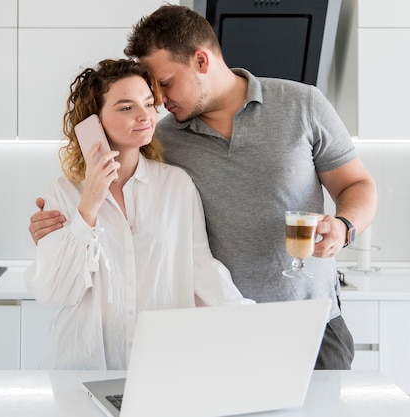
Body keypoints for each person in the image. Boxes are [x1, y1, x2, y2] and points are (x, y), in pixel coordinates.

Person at [29, 5, 378, 370]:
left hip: (310, 320)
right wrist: (66, 232)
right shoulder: (163, 139)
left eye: (162, 85)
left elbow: (357, 183)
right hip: (222, 330)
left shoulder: (302, 104)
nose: (158, 104)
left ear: (201, 60)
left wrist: (344, 225)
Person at [24, 58, 252, 370]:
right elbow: (56, 291)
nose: (145, 115)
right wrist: (88, 205)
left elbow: (199, 265)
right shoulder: (63, 193)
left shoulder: (176, 185)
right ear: (94, 122)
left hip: (159, 367)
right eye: (126, 107)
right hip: (81, 366)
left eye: (148, 103)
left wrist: (246, 320)